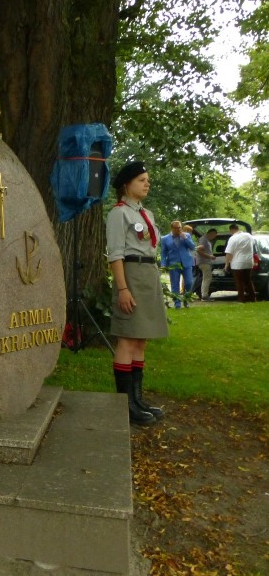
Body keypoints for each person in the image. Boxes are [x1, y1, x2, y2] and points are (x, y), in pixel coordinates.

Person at [106, 161, 167, 426]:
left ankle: (137, 399)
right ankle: (125, 406)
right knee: (127, 340)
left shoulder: (147, 214)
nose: (147, 183)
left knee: (140, 340)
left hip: (148, 276)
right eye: (141, 179)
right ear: (126, 185)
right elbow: (116, 254)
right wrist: (122, 288)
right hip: (130, 275)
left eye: (147, 180)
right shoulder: (119, 214)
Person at [160, 220, 196, 308]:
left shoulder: (186, 235)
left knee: (189, 282)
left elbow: (192, 247)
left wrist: (185, 238)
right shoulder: (165, 238)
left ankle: (186, 299)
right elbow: (163, 253)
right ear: (172, 228)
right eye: (176, 228)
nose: (178, 229)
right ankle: (177, 303)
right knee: (175, 284)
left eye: (180, 227)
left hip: (186, 263)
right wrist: (163, 264)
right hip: (173, 264)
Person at [224, 223, 257, 303]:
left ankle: (241, 299)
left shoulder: (233, 238)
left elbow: (229, 253)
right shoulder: (248, 236)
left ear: (232, 230)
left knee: (239, 282)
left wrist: (226, 264)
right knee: (248, 281)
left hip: (237, 263)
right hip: (248, 262)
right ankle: (253, 298)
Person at [196, 228, 218, 300]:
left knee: (206, 278)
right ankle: (204, 295)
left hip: (206, 262)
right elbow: (199, 251)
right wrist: (210, 256)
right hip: (204, 262)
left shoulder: (206, 240)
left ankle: (204, 294)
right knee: (207, 278)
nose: (214, 237)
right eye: (214, 235)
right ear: (211, 233)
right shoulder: (203, 239)